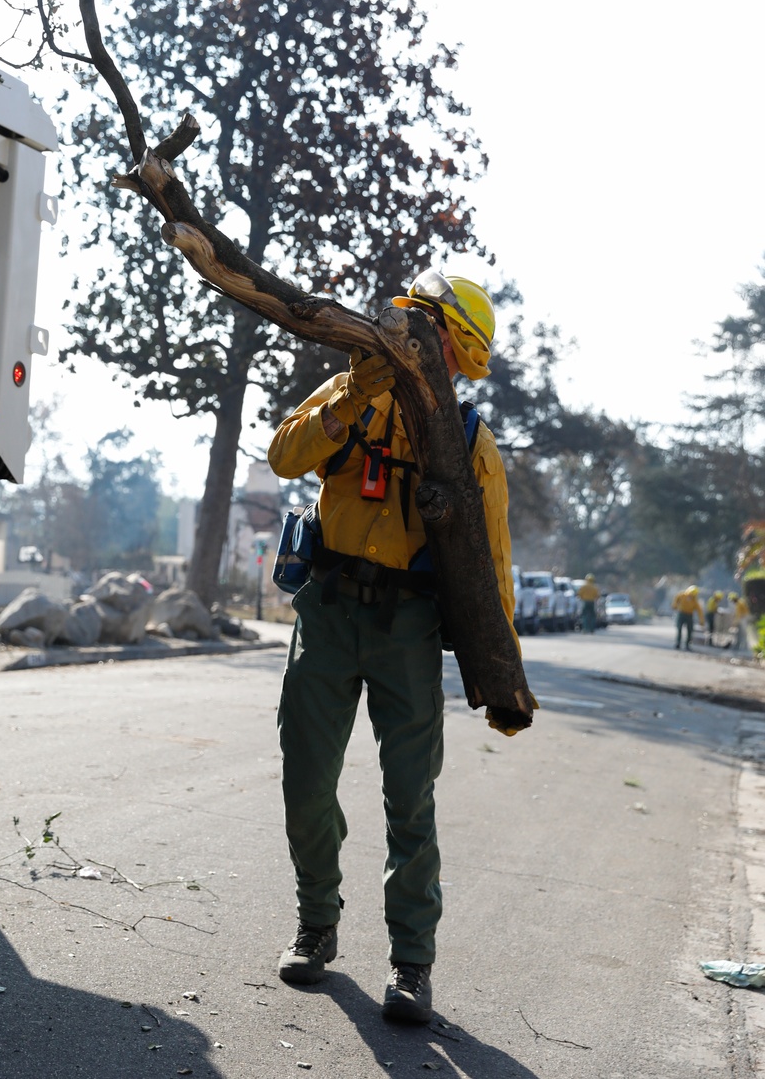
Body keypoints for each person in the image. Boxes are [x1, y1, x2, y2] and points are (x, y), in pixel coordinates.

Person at [268, 270, 518, 1025]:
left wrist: (504, 682)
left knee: (410, 799)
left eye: (443, 345)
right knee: (306, 781)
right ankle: (318, 924)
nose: (426, 350)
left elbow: (493, 567)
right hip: (329, 609)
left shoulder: (471, 442)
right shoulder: (350, 392)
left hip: (409, 627)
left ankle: (412, 965)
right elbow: (285, 457)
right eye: (423, 332)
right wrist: (349, 398)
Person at [672, 585, 704, 650]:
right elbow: (676, 599)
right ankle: (678, 643)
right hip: (681, 614)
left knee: (690, 630)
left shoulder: (695, 601)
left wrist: (701, 620)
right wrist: (674, 605)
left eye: (693, 595)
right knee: (679, 629)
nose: (691, 596)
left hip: (689, 615)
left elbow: (699, 610)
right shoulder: (682, 595)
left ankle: (687, 645)